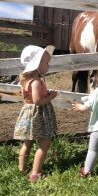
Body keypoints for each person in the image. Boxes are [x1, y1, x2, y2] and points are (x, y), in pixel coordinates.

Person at [14, 45, 58, 182]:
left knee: (27, 143)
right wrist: (51, 96)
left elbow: (27, 98)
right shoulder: (36, 82)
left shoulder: (25, 80)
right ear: (36, 64)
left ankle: (22, 170)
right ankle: (35, 174)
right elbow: (38, 101)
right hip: (39, 115)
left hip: (28, 114)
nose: (48, 65)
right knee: (44, 145)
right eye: (45, 63)